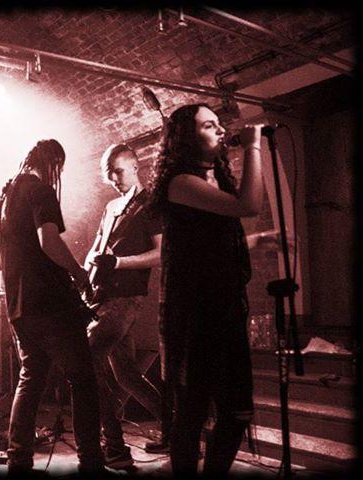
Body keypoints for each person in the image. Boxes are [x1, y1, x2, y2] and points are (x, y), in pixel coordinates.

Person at [149, 103, 263, 476]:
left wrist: (259, 241)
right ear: (187, 137)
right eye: (208, 125)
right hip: (196, 315)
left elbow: (213, 240)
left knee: (237, 410)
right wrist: (254, 146)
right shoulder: (180, 183)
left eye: (218, 124)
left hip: (225, 308)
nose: (219, 130)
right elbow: (249, 205)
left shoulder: (216, 180)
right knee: (193, 411)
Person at [0, 139, 106, 474]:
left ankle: (18, 461)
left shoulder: (2, 199)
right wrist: (79, 274)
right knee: (82, 379)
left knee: (31, 378)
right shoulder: (40, 190)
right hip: (51, 305)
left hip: (19, 306)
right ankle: (91, 462)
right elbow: (49, 241)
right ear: (54, 163)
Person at [84, 144, 166, 468]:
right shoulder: (111, 206)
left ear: (135, 166)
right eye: (109, 174)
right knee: (127, 376)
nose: (113, 179)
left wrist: (118, 263)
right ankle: (178, 429)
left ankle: (115, 447)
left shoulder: (151, 205)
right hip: (101, 296)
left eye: (118, 171)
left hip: (126, 298)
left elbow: (161, 254)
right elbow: (96, 248)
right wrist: (85, 277)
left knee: (88, 357)